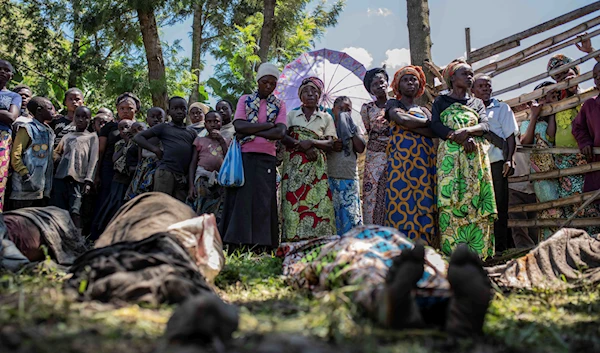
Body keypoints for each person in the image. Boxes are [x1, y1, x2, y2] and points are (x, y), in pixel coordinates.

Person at [279, 225, 491, 337]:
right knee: (426, 261)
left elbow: (303, 270)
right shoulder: (388, 233)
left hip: (353, 245)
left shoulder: (324, 244)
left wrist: (302, 275)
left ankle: (384, 298)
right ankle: (448, 299)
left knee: (356, 265)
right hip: (395, 243)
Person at [431, 60, 496, 259]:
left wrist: (466, 132)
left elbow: (485, 126)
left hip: (474, 158)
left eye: (471, 74)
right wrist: (454, 136)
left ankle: (479, 255)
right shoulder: (441, 102)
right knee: (451, 202)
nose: (470, 77)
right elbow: (434, 125)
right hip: (450, 160)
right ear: (452, 78)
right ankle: (453, 256)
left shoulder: (476, 103)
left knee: (476, 200)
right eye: (465, 74)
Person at [219, 63, 287, 251]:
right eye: (265, 82)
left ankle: (262, 245)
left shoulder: (280, 104)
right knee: (242, 199)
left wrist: (254, 127)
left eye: (273, 83)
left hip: (267, 157)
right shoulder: (245, 100)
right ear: (258, 81)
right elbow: (239, 126)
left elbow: (280, 132)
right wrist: (267, 126)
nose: (268, 86)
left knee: (263, 201)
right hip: (245, 155)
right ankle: (237, 244)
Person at [384, 65, 437, 246]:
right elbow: (401, 119)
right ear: (398, 86)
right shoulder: (393, 104)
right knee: (401, 198)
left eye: (413, 79)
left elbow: (434, 132)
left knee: (424, 198)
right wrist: (427, 124)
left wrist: (415, 126)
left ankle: (423, 247)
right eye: (405, 80)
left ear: (420, 84)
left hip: (423, 162)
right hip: (401, 163)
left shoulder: (425, 109)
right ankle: (402, 247)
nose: (410, 83)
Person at [547, 54, 600, 232]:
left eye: (565, 74)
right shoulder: (557, 102)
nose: (563, 80)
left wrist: (575, 91)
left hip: (584, 156)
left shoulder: (587, 95)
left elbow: (585, 122)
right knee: (571, 202)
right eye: (558, 77)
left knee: (589, 200)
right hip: (563, 159)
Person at [281, 76, 336, 240]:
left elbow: (331, 143)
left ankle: (320, 243)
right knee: (293, 202)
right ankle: (292, 242)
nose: (310, 94)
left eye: (314, 91)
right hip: (294, 167)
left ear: (319, 95)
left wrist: (311, 142)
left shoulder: (326, 117)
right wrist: (301, 145)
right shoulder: (291, 115)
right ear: (300, 96)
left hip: (316, 169)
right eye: (305, 91)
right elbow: (283, 136)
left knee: (317, 203)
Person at [471, 74, 518, 253]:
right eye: (481, 86)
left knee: (499, 205)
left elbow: (510, 137)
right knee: (478, 205)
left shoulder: (501, 108)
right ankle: (482, 247)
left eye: (488, 86)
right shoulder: (469, 110)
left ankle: (500, 248)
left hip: (497, 163)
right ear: (472, 90)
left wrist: (509, 159)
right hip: (475, 165)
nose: (485, 89)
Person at [520, 82, 562, 240]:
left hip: (555, 172)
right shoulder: (527, 123)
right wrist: (534, 116)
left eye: (548, 98)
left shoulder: (547, 123)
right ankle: (551, 243)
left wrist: (551, 111)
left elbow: (551, 136)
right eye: (542, 98)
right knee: (550, 210)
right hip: (540, 175)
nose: (544, 102)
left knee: (557, 209)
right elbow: (526, 142)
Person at [134, 97, 197, 202]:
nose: (179, 111)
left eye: (183, 108)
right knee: (160, 205)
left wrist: (191, 185)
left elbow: (193, 161)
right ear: (168, 112)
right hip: (165, 172)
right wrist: (155, 150)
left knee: (179, 209)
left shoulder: (192, 133)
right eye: (175, 108)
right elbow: (138, 137)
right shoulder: (164, 127)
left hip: (182, 176)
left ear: (187, 111)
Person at [52, 106, 98, 229]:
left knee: (75, 211)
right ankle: (60, 236)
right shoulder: (67, 136)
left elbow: (94, 160)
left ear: (90, 119)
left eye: (85, 117)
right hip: (61, 176)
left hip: (79, 179)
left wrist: (89, 180)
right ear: (74, 117)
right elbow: (56, 152)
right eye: (78, 116)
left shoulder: (92, 137)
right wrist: (59, 159)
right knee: (59, 210)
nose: (81, 120)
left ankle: (77, 240)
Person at [327, 96, 365, 235]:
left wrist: (349, 128)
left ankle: (351, 248)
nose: (344, 112)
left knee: (350, 215)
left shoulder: (355, 127)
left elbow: (360, 148)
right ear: (333, 110)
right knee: (333, 216)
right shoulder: (327, 126)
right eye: (340, 109)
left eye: (347, 110)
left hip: (349, 177)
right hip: (330, 176)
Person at [95, 92, 140, 209]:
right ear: (117, 109)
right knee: (105, 199)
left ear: (136, 109)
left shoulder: (141, 127)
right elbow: (100, 150)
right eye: (122, 108)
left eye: (129, 108)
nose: (125, 111)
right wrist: (96, 174)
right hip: (109, 168)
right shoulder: (109, 127)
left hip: (131, 170)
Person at [10, 96, 55, 209]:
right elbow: (16, 155)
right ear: (39, 111)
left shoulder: (49, 131)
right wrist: (25, 174)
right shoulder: (27, 129)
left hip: (41, 187)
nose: (53, 111)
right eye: (49, 108)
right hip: (24, 187)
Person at [93, 119, 136, 236]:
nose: (124, 130)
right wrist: (126, 144)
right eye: (121, 129)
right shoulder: (119, 144)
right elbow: (114, 158)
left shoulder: (138, 142)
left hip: (131, 179)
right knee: (114, 204)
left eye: (127, 127)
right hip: (118, 177)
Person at [360, 68, 390, 226]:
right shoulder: (367, 108)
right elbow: (367, 130)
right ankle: (373, 231)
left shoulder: (397, 104)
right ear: (370, 90)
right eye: (374, 84)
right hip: (375, 157)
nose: (379, 86)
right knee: (372, 192)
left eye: (382, 82)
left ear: (387, 83)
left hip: (396, 153)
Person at [187, 111, 229, 218]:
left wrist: (221, 140)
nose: (213, 124)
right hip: (202, 177)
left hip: (220, 180)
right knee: (201, 207)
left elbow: (229, 158)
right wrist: (191, 186)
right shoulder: (199, 140)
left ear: (222, 123)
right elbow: (193, 163)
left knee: (219, 210)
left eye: (216, 121)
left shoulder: (227, 141)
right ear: (205, 124)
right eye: (209, 122)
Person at [125, 107, 165, 201]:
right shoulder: (143, 136)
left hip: (159, 166)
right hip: (144, 168)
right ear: (147, 120)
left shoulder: (166, 134)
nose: (156, 119)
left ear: (165, 118)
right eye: (153, 117)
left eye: (159, 117)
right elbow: (140, 157)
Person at [572, 62, 600, 196]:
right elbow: (578, 127)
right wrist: (585, 142)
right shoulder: (590, 105)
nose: (598, 78)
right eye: (595, 76)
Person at [0, 60, 21, 212]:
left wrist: (6, 115)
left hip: (2, 140)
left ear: (11, 76)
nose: (2, 72)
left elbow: (11, 117)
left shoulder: (14, 96)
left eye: (6, 70)